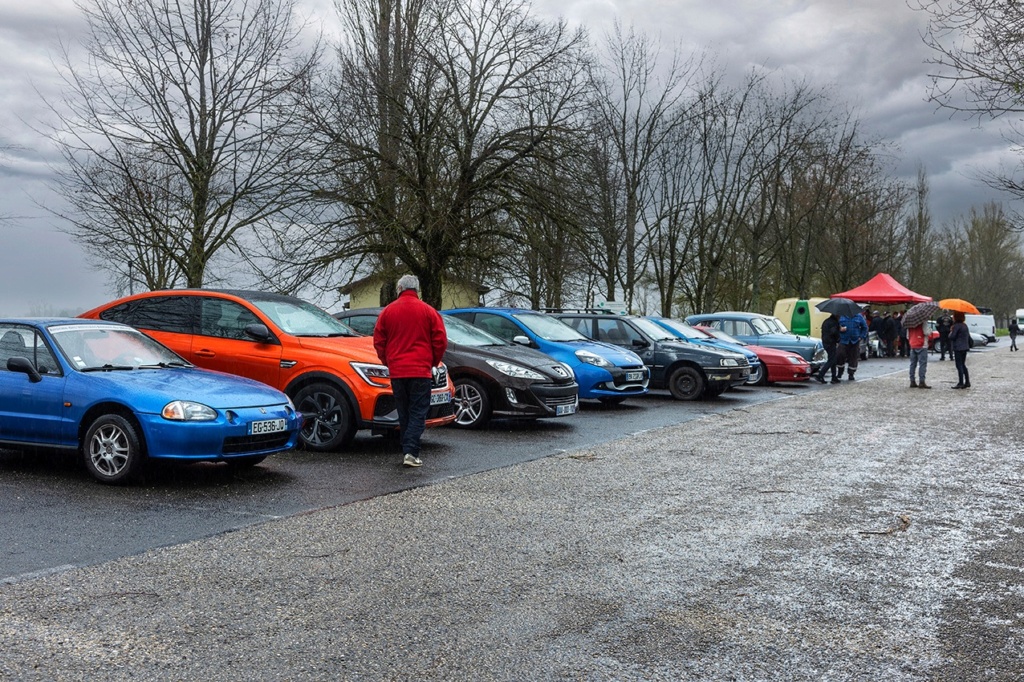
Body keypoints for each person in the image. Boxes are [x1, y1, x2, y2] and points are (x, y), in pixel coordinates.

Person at [373, 274, 448, 467]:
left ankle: (407, 448)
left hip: (398, 371)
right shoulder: (429, 311)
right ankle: (411, 452)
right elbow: (440, 340)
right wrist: (432, 361)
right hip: (420, 370)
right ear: (417, 290)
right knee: (418, 411)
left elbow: (379, 341)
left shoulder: (387, 312)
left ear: (399, 289)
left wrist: (387, 361)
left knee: (404, 411)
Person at [835, 310, 868, 381]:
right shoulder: (841, 316)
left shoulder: (859, 316)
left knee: (853, 357)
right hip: (843, 340)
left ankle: (851, 374)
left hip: (855, 341)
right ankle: (840, 371)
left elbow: (864, 327)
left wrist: (861, 336)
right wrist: (839, 329)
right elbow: (835, 326)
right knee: (840, 355)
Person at [904, 319, 930, 389]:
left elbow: (907, 336)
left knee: (912, 364)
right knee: (922, 364)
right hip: (922, 345)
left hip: (912, 344)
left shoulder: (909, 323)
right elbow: (926, 332)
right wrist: (930, 330)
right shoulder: (923, 322)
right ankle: (922, 381)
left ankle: (912, 381)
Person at [817, 312, 841, 384]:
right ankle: (820, 375)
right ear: (837, 315)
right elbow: (834, 332)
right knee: (831, 360)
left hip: (825, 342)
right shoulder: (834, 323)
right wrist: (839, 332)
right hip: (831, 342)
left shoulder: (826, 321)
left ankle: (834, 377)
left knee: (833, 359)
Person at [948, 311, 971, 389]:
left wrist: (951, 331)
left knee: (959, 365)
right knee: (963, 364)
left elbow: (952, 337)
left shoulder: (956, 326)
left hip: (958, 347)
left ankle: (961, 382)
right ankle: (967, 381)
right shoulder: (965, 325)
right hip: (965, 347)